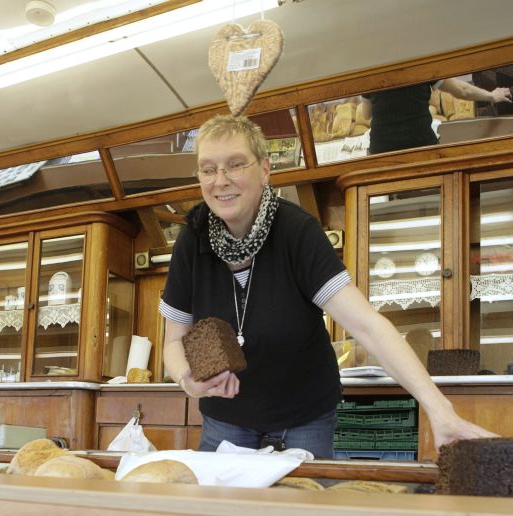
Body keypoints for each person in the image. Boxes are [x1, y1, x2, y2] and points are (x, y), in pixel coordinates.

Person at [160, 114, 495, 457]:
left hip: (304, 416)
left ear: (264, 170)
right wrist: (188, 380)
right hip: (226, 418)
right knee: (219, 494)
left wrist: (439, 409)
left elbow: (368, 326)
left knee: (304, 492)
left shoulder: (297, 232)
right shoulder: (192, 240)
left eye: (235, 165)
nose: (220, 181)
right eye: (208, 169)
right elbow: (173, 341)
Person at [361, 78, 512, 154]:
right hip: (422, 145)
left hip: (382, 150)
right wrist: (491, 96)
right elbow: (462, 90)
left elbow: (366, 115)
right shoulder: (421, 61)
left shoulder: (372, 70)